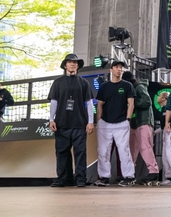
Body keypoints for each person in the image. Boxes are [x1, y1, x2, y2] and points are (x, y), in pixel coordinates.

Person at [48, 53, 94, 188]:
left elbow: (89, 103)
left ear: (78, 66)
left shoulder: (84, 83)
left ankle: (80, 179)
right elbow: (54, 102)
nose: (73, 64)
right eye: (70, 62)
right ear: (65, 65)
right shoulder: (57, 83)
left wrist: (90, 121)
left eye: (75, 62)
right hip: (62, 123)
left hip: (80, 124)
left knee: (80, 153)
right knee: (62, 152)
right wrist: (51, 119)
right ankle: (63, 178)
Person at [94, 61, 136, 187]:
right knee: (103, 151)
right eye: (117, 67)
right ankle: (104, 177)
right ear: (111, 70)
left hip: (122, 122)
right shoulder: (104, 86)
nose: (119, 69)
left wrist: (128, 119)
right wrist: (99, 120)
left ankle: (129, 176)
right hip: (104, 123)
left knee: (124, 150)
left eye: (121, 67)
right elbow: (99, 104)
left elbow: (131, 103)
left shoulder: (127, 85)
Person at [125, 71, 160, 184]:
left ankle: (153, 171)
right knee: (132, 149)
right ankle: (130, 173)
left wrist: (133, 102)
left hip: (144, 120)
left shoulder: (139, 87)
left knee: (144, 146)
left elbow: (147, 101)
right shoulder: (134, 88)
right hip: (135, 122)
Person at [157, 91, 171, 185]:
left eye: (159, 96)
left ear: (163, 98)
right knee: (164, 156)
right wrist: (155, 132)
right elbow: (163, 125)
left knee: (169, 154)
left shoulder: (169, 108)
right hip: (164, 132)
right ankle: (169, 176)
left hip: (169, 132)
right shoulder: (162, 109)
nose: (157, 97)